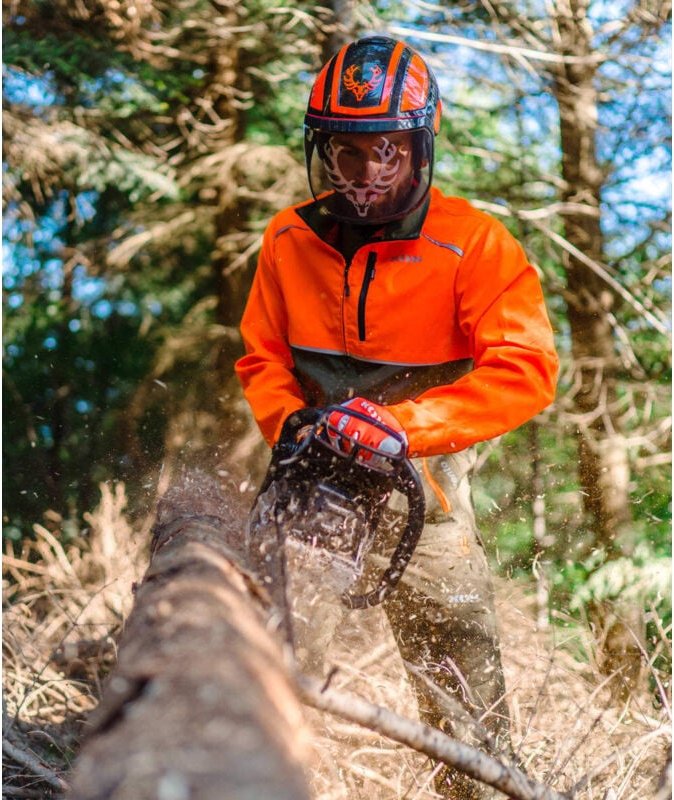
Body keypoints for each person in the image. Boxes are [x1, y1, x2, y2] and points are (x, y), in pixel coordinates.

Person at [235, 34, 559, 799]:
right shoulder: (288, 240)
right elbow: (260, 362)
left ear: (421, 145)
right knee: (267, 680)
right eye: (349, 155)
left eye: (389, 152)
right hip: (310, 498)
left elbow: (528, 370)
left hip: (428, 503)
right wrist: (291, 426)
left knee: (469, 727)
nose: (369, 174)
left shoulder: (473, 243)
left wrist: (406, 426)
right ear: (323, 151)